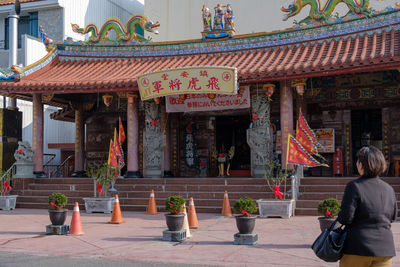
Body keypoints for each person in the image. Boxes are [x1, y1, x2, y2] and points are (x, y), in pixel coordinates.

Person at [338, 146, 397, 267]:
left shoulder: (354, 186)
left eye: (358, 161)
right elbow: (393, 217)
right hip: (385, 248)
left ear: (361, 165)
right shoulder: (389, 189)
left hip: (357, 247)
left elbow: (345, 218)